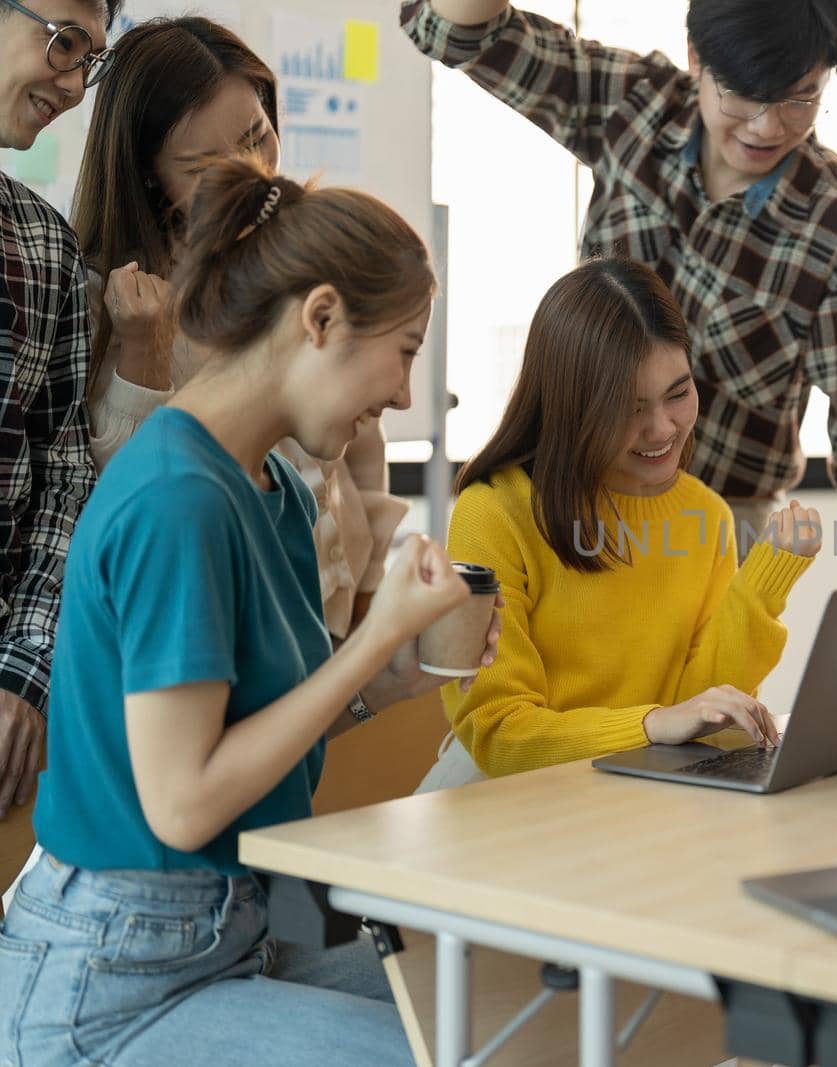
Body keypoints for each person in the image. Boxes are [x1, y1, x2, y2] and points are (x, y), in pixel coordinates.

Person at [0, 156, 497, 1065]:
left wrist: (389, 678)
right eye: (406, 350)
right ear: (319, 318)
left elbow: (250, 735)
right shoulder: (175, 499)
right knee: (437, 1050)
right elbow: (186, 803)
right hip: (113, 983)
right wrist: (376, 632)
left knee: (497, 1009)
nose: (401, 393)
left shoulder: (268, 488)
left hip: (232, 928)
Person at [402, 0, 837, 696]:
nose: (768, 126)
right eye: (745, 96)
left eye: (800, 98)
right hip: (576, 498)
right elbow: (458, 31)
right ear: (697, 58)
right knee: (542, 724)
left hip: (712, 527)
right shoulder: (634, 105)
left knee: (702, 742)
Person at [418, 256, 820, 791]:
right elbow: (499, 733)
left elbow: (703, 712)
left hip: (637, 790)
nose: (661, 430)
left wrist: (768, 579)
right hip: (506, 794)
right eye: (627, 408)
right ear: (571, 407)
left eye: (677, 393)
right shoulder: (495, 511)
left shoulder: (704, 513)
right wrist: (651, 724)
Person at [72, 16, 408, 640]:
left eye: (259, 135)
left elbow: (363, 435)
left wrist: (370, 584)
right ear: (148, 173)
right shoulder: (116, 297)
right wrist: (143, 347)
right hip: (229, 629)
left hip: (331, 604)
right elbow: (127, 501)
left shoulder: (305, 253)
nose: (253, 175)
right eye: (207, 168)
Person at [0, 0, 115, 822]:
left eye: (90, 60)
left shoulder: (44, 248)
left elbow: (64, 477)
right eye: (63, 44)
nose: (72, 84)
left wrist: (23, 669)